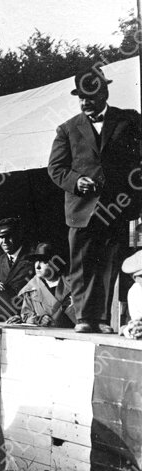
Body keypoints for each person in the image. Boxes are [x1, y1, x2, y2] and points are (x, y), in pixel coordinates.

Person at [48, 67, 142, 334]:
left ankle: (101, 319)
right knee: (81, 265)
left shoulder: (129, 121)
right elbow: (56, 168)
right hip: (81, 210)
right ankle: (83, 318)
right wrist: (76, 181)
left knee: (109, 264)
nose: (85, 102)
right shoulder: (67, 129)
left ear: (104, 93)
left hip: (116, 207)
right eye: (81, 97)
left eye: (91, 96)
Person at [7, 244, 75, 328]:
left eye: (44, 261)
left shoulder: (72, 286)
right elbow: (26, 315)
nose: (38, 266)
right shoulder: (31, 288)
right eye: (36, 261)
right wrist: (38, 319)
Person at [0, 217, 34, 302]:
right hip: (6, 307)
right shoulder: (0, 259)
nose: (4, 241)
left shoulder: (33, 257)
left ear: (18, 235)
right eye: (1, 237)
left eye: (8, 236)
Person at [119, 250, 142, 338]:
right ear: (134, 278)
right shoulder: (135, 291)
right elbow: (137, 320)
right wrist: (131, 328)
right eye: (141, 276)